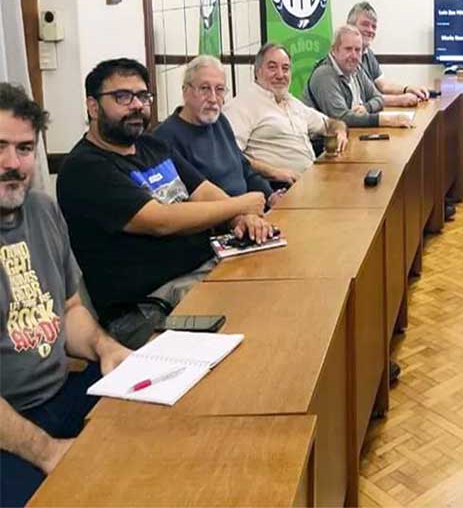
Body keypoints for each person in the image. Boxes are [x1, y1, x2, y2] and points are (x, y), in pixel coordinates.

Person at [57, 59, 273, 347]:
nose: (137, 105)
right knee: (255, 340)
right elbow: (160, 220)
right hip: (148, 306)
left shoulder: (152, 145)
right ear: (93, 107)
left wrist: (241, 219)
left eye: (142, 96)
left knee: (280, 301)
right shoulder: (85, 168)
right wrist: (241, 205)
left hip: (206, 270)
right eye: (122, 97)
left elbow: (204, 191)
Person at [0, 83, 132, 508]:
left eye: (24, 149)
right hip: (8, 426)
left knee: (159, 431)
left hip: (61, 393)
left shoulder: (43, 211)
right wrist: (47, 452)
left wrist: (105, 347)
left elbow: (71, 309)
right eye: (0, 147)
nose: (12, 163)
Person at [154, 56, 283, 207]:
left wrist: (270, 196)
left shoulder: (220, 121)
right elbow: (187, 203)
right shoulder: (165, 138)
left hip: (249, 210)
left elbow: (244, 169)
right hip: (222, 217)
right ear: (186, 91)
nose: (213, 98)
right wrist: (240, 213)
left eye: (220, 89)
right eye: (204, 88)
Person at [223, 43, 347, 184]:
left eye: (285, 68)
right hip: (279, 187)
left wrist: (340, 131)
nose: (280, 75)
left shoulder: (291, 102)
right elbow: (230, 154)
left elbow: (330, 123)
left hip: (311, 181)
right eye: (272, 67)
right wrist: (273, 172)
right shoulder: (243, 104)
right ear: (258, 71)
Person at [304, 26, 414, 129]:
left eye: (357, 50)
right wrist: (386, 120)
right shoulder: (324, 75)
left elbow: (378, 98)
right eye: (348, 49)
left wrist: (367, 107)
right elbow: (341, 118)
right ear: (334, 50)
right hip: (321, 141)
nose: (354, 55)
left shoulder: (356, 69)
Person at [348, 2, 429, 107]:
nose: (370, 30)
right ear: (350, 26)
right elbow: (361, 99)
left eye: (374, 26)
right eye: (365, 24)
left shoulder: (368, 53)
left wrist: (407, 89)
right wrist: (399, 100)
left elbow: (383, 85)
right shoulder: (347, 57)